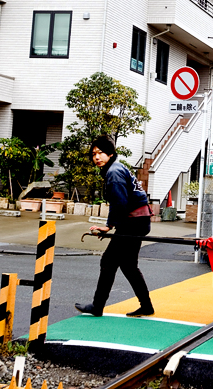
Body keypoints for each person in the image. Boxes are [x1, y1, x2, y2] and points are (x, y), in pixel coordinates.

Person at [75, 135, 154, 317]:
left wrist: (109, 226)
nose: (96, 157)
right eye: (94, 154)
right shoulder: (116, 168)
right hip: (138, 220)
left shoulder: (114, 172)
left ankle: (97, 306)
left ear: (110, 154)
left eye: (101, 153)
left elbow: (119, 203)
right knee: (128, 265)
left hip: (134, 222)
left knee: (109, 261)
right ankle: (146, 305)